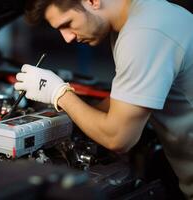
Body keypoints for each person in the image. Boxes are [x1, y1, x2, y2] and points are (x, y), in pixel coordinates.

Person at [14, 0, 193, 198]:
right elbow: (126, 97)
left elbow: (118, 138)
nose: (67, 38)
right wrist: (67, 118)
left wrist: (60, 93)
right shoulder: (143, 14)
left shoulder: (144, 34)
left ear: (92, 1)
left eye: (67, 24)